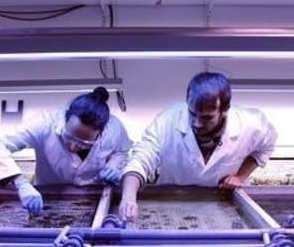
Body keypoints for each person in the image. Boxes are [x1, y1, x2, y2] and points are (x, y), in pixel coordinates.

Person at [118, 72, 277, 221]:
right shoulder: (168, 120)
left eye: (207, 118)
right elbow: (141, 158)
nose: (197, 123)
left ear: (225, 110)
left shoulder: (250, 124)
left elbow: (266, 146)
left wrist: (240, 176)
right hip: (170, 201)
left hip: (221, 205)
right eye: (192, 113)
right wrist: (128, 198)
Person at [0, 87, 132, 216]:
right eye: (68, 138)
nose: (73, 147)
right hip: (46, 200)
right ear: (65, 120)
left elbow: (121, 152)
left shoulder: (115, 129)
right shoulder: (44, 123)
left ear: (101, 132)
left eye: (84, 143)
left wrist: (114, 166)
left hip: (95, 199)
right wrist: (22, 183)